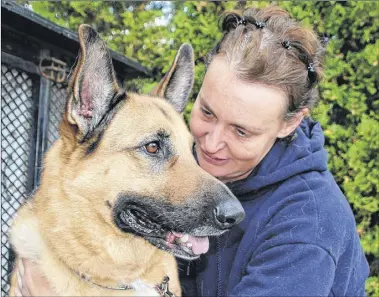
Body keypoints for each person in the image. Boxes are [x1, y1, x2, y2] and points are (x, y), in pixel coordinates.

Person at [14, 6, 369, 297]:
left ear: (289, 125)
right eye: (207, 112)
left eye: (241, 131)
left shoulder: (309, 227)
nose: (209, 146)